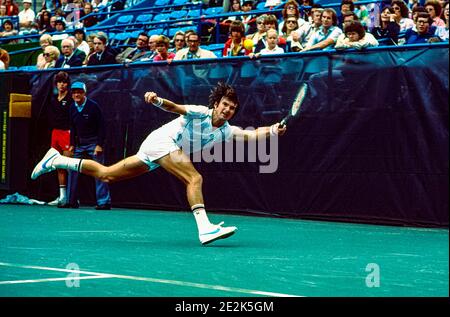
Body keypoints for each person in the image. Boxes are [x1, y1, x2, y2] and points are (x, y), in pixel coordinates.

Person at [31, 82, 287, 245]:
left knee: (108, 175)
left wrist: (273, 130)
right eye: (225, 105)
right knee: (194, 178)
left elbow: (252, 134)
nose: (228, 110)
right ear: (216, 104)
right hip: (163, 141)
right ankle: (204, 228)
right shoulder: (200, 112)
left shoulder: (226, 130)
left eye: (232, 108)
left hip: (156, 149)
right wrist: (157, 100)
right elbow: (175, 107)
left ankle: (57, 159)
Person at [59, 81, 112, 210]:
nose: (76, 94)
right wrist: (72, 144)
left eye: (79, 92)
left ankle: (104, 202)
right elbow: (72, 126)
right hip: (79, 144)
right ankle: (71, 201)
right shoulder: (72, 108)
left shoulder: (93, 106)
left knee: (99, 171)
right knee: (72, 170)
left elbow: (102, 127)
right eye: (74, 92)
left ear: (84, 93)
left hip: (93, 143)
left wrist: (99, 145)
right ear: (72, 95)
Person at [47, 72, 72, 206]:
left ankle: (72, 197)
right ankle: (62, 197)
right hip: (55, 133)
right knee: (58, 165)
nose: (62, 84)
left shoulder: (70, 98)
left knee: (68, 165)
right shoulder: (53, 99)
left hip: (67, 134)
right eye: (59, 82)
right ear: (56, 84)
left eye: (64, 82)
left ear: (68, 84)